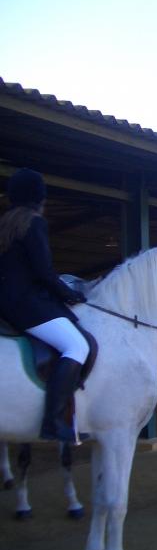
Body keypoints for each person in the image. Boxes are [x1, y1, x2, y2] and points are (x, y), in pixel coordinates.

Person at [0, 168, 89, 443]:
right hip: (25, 304)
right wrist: (70, 295)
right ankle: (53, 421)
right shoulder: (34, 223)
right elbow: (43, 272)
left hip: (5, 303)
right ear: (39, 198)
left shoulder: (6, 224)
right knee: (77, 346)